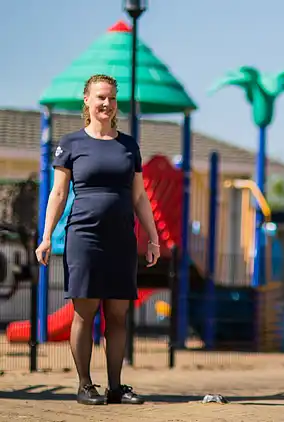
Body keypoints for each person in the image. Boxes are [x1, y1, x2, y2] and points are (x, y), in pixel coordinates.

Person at [35, 74, 160, 405]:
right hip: (84, 236)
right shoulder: (72, 143)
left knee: (117, 315)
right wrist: (46, 237)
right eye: (100, 97)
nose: (107, 104)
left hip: (121, 238)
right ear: (87, 100)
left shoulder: (129, 145)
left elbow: (139, 197)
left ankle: (116, 387)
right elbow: (58, 193)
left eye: (112, 98)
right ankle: (85, 385)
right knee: (84, 312)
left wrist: (153, 236)